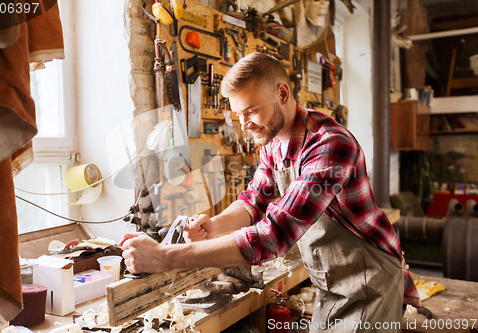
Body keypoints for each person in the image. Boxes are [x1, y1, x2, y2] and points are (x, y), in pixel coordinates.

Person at [120, 52, 421, 332]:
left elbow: (273, 236)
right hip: (332, 284)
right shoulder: (274, 143)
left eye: (251, 110)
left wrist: (163, 257)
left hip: (370, 282)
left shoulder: (330, 145)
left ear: (282, 93)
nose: (244, 125)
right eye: (238, 114)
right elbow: (253, 200)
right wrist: (216, 225)